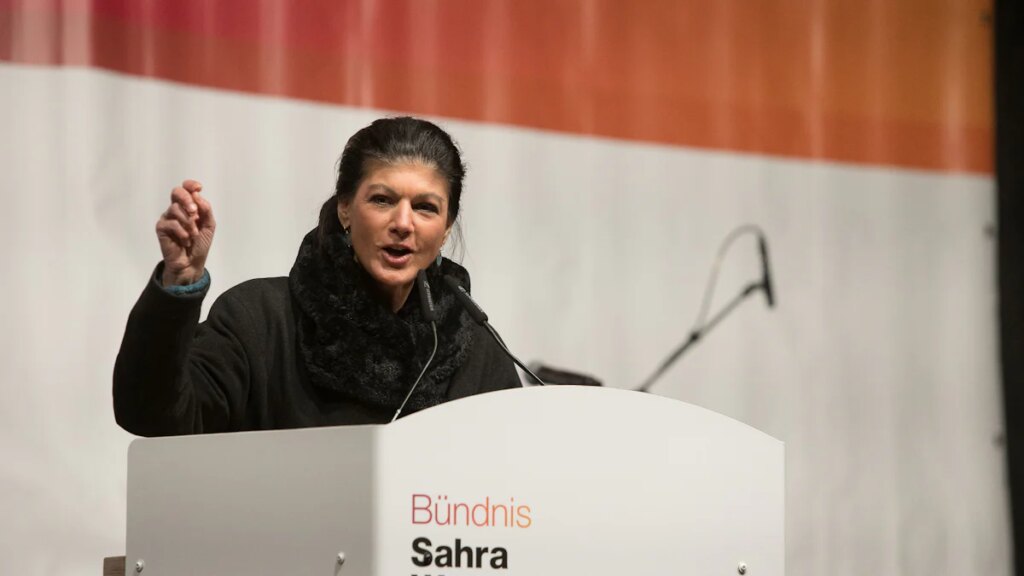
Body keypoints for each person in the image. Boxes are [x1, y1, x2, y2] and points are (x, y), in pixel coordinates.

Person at [113, 117, 522, 437]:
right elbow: (153, 415)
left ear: (446, 228)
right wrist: (179, 283)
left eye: (426, 208)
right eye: (382, 200)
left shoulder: (470, 347)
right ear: (346, 209)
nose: (403, 223)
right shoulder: (260, 321)